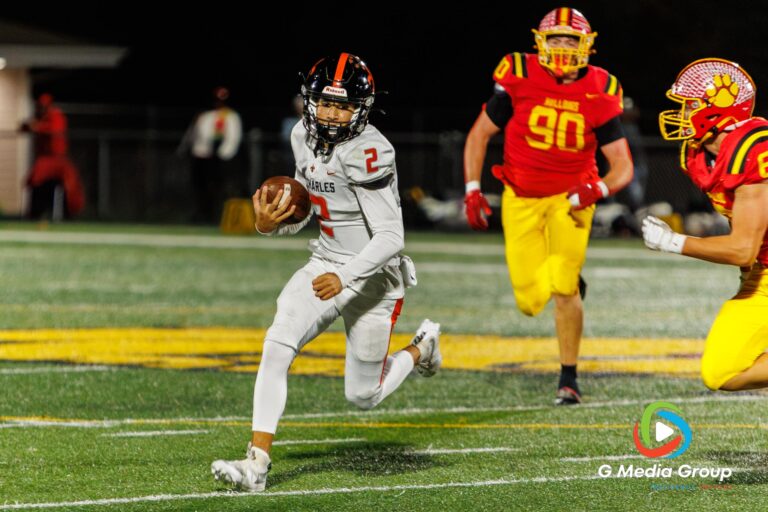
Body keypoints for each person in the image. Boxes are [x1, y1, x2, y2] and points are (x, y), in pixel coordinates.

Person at [211, 53, 442, 492]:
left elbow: (392, 237)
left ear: (363, 108)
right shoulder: (303, 134)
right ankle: (256, 465)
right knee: (277, 343)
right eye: (325, 104)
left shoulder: (371, 150)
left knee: (363, 396)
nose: (333, 115)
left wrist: (349, 277)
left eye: (344, 106)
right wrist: (269, 225)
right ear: (310, 101)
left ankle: (421, 348)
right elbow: (307, 210)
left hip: (374, 279)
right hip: (324, 262)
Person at [462, 7, 633, 405]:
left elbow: (623, 165)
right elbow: (479, 135)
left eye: (569, 40)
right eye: (554, 39)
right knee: (528, 301)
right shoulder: (519, 75)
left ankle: (568, 378)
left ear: (586, 46)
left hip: (571, 199)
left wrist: (598, 190)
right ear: (539, 43)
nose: (561, 47)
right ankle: (571, 283)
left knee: (562, 287)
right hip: (520, 196)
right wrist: (472, 188)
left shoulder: (600, 88)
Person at [644, 58, 768, 392]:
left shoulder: (754, 149)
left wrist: (673, 242)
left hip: (756, 264)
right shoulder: (698, 154)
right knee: (721, 371)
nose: (682, 114)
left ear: (719, 110)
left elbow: (743, 249)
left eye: (690, 106)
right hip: (761, 275)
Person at [179, 86, 243, 223]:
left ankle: (220, 217)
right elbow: (193, 136)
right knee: (201, 188)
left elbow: (233, 139)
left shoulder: (231, 116)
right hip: (203, 158)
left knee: (221, 189)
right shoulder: (204, 116)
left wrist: (222, 156)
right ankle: (202, 214)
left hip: (221, 159)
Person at [21, 93, 85, 220]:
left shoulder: (55, 116)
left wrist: (37, 126)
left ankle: (68, 215)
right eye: (40, 106)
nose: (41, 109)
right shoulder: (39, 118)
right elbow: (24, 128)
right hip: (45, 160)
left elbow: (54, 129)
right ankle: (35, 213)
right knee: (35, 182)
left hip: (57, 159)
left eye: (43, 106)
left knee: (69, 186)